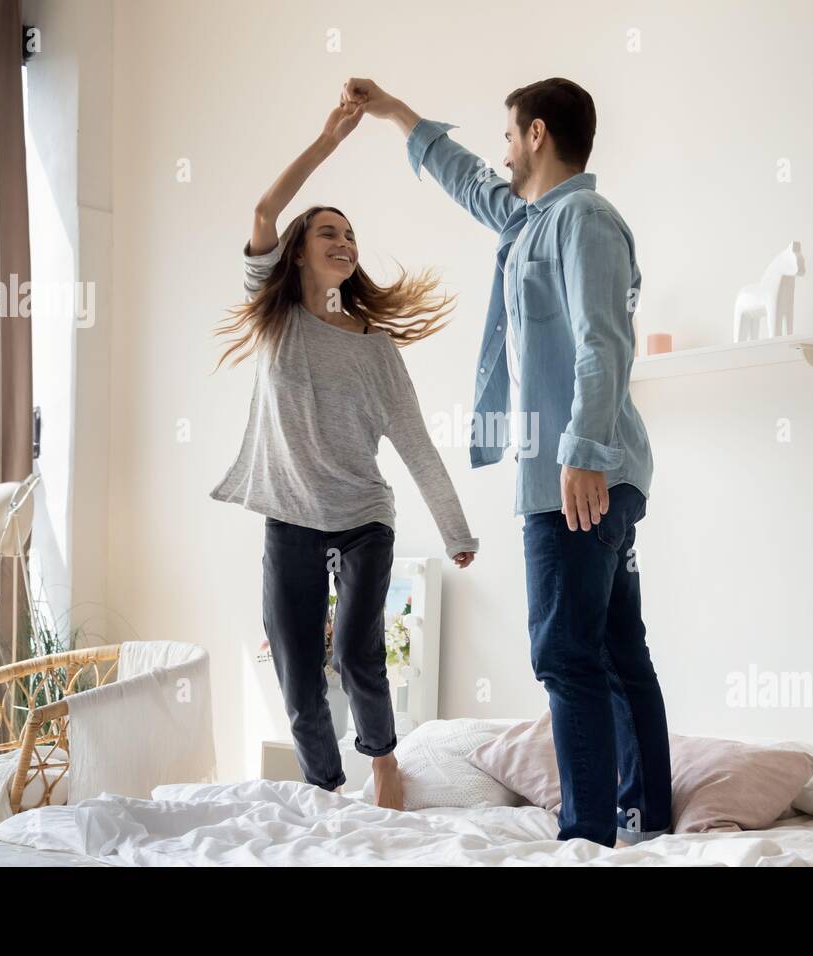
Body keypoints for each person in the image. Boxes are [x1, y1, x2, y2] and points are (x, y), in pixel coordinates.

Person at [344, 76, 671, 848]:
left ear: (535, 134)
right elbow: (468, 181)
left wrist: (583, 454)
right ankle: (644, 819)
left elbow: (603, 342)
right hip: (579, 473)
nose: (501, 152)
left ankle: (588, 834)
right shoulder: (535, 220)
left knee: (565, 654)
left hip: (579, 478)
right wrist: (395, 114)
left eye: (506, 136)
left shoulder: (584, 219)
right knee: (618, 650)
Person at [209, 96, 479, 812]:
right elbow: (266, 210)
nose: (344, 241)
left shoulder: (373, 349)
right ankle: (327, 791)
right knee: (298, 672)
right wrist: (328, 139)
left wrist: (455, 530)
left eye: (351, 234)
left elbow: (416, 443)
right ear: (299, 249)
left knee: (357, 651)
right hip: (291, 514)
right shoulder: (275, 316)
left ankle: (383, 764)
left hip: (362, 515)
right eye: (329, 231)